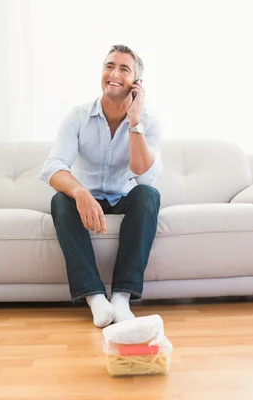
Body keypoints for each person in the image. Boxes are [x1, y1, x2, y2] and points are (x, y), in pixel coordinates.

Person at [38, 44, 162, 328]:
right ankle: (95, 297)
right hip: (88, 197)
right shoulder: (78, 116)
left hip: (124, 196)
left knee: (148, 195)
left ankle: (121, 297)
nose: (113, 73)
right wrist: (80, 192)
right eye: (109, 66)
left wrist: (135, 122)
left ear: (136, 83)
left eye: (123, 69)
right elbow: (53, 167)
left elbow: (144, 175)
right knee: (61, 200)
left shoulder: (149, 123)